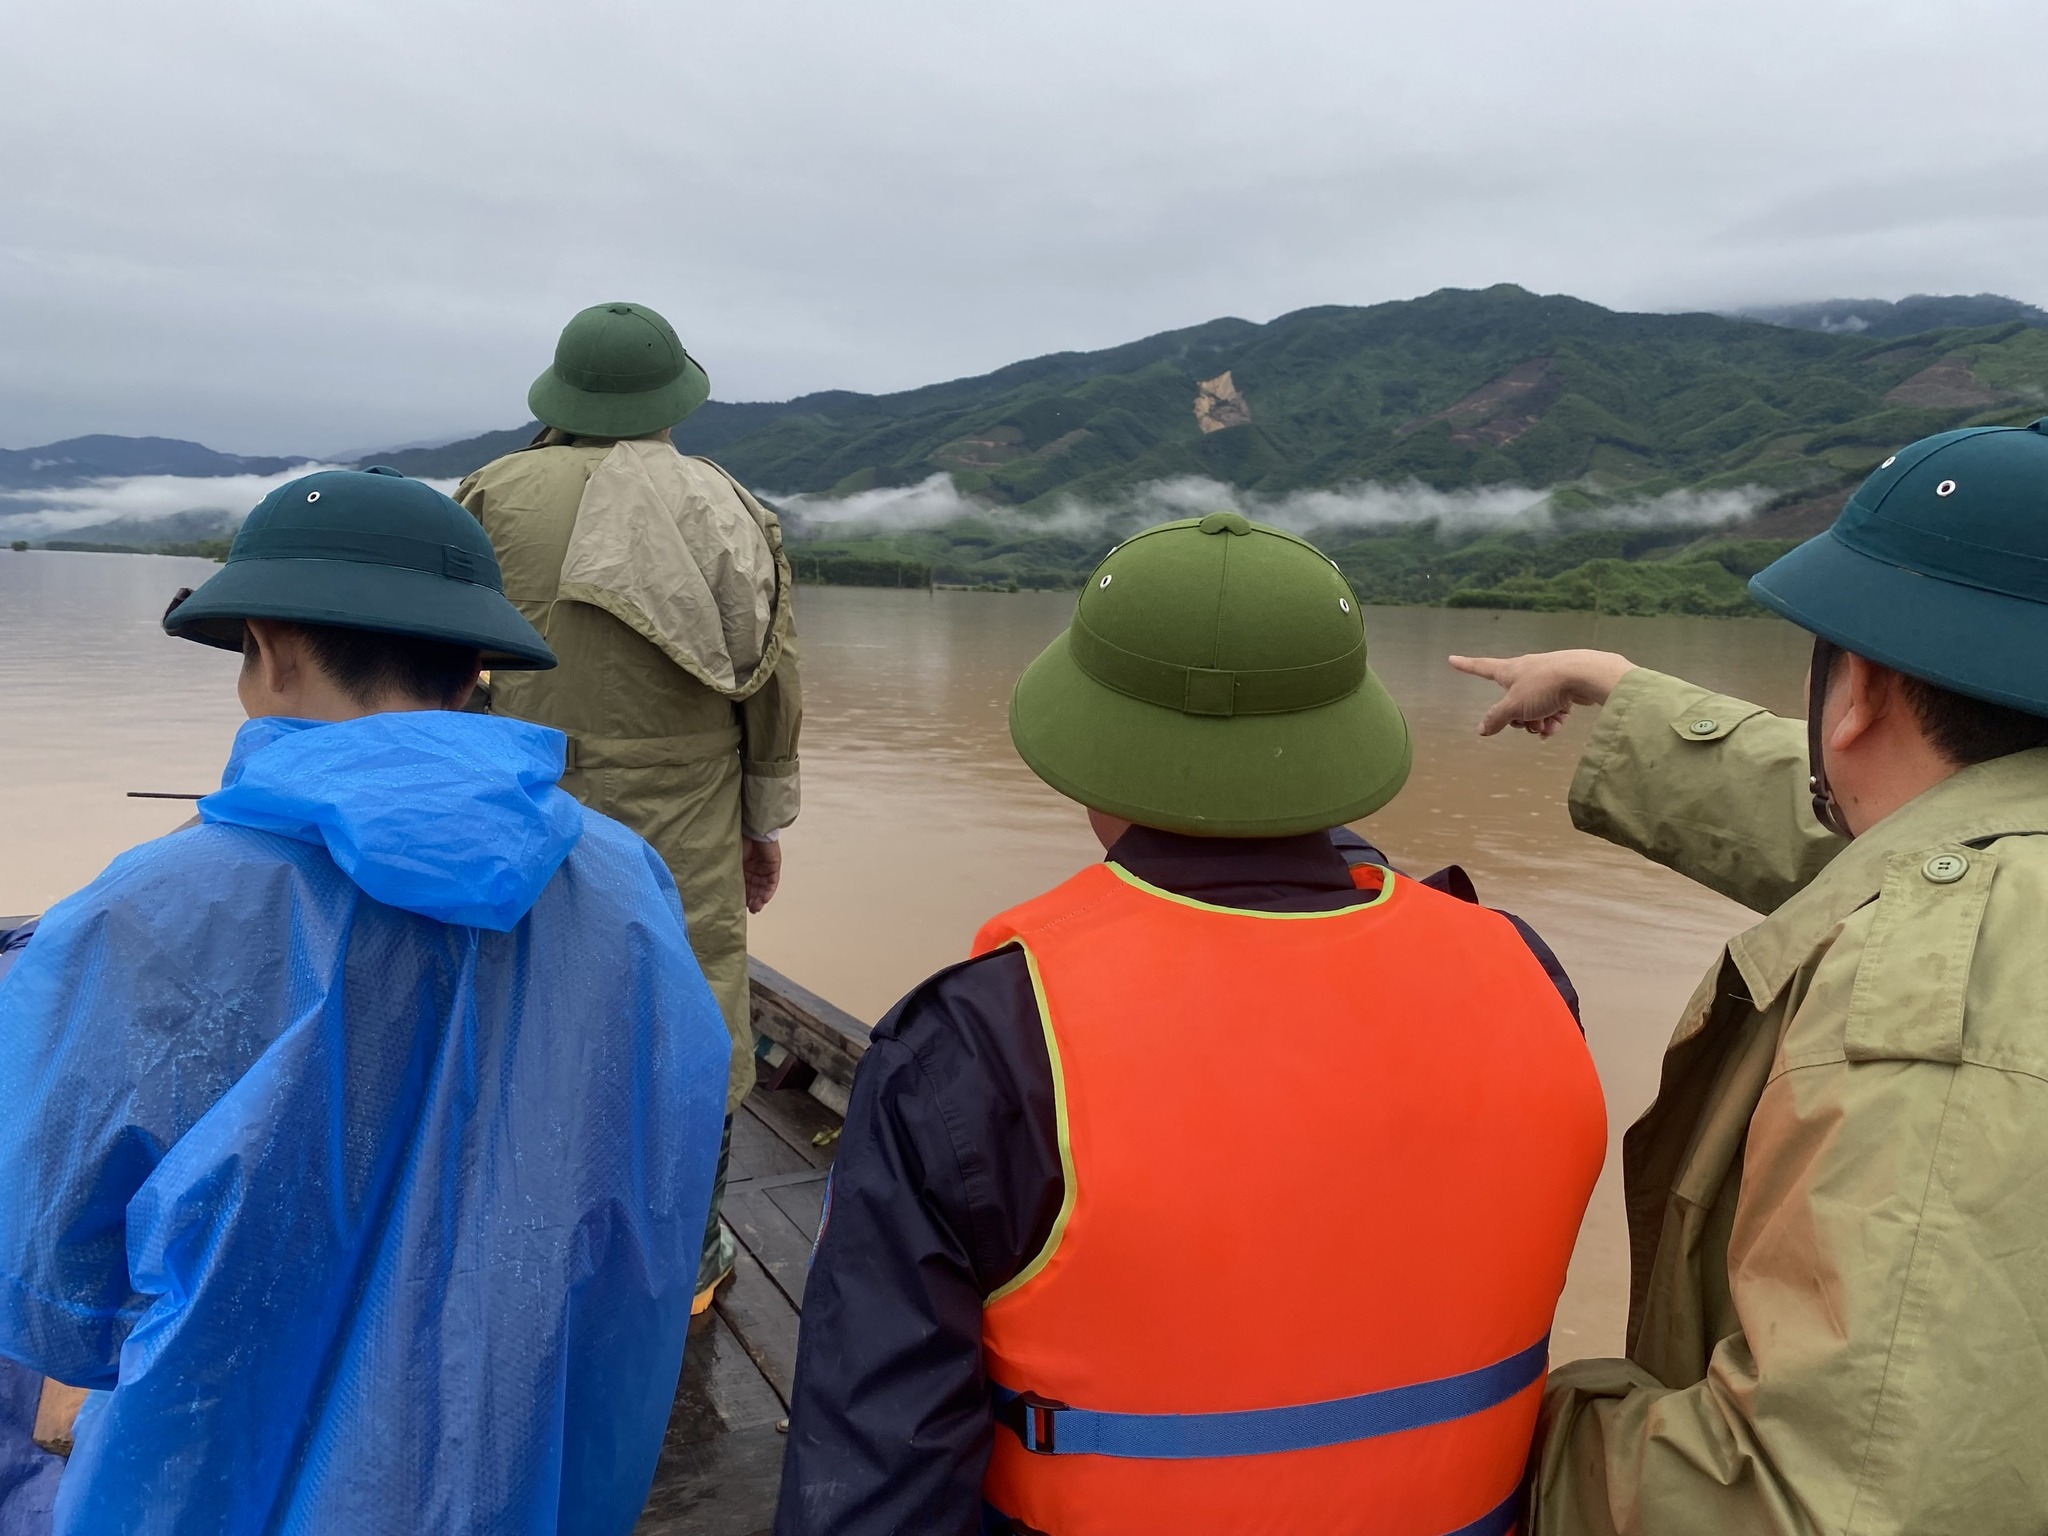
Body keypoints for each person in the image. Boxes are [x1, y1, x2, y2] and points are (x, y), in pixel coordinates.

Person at [777, 512, 1608, 1536]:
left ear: (1090, 750)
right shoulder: (1526, 972)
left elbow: (874, 1477)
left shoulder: (984, 1039)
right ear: (1339, 741)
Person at [0, 468, 730, 1536]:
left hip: (209, 1480)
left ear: (272, 646)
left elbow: (53, 1287)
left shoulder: (147, 913)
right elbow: (656, 1182)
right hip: (530, 1464)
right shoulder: (627, 881)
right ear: (477, 667)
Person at [1451, 419, 2048, 1534]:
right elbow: (1903, 831)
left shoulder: (1947, 994)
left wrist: (1487, 1434)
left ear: (1854, 689)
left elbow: (1818, 1502)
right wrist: (1617, 688)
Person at [457, 300, 802, 1311]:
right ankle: (690, 1255)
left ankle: (510, 1221)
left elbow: (435, 655)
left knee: (511, 982)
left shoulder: (489, 491)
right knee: (693, 1000)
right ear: (670, 399)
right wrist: (761, 819)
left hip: (513, 782)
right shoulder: (727, 503)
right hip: (685, 797)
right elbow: (772, 679)